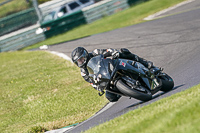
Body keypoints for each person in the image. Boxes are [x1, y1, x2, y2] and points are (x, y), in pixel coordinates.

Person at [71, 47, 153, 102]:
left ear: (85, 55)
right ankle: (127, 90)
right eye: (78, 61)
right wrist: (98, 87)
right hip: (106, 78)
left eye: (81, 59)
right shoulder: (84, 72)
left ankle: (144, 63)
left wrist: (113, 52)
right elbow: (92, 82)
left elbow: (107, 51)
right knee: (110, 97)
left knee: (124, 53)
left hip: (111, 66)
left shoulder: (94, 53)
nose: (80, 62)